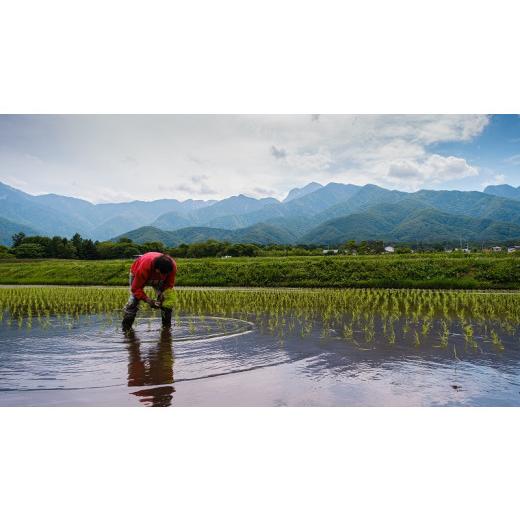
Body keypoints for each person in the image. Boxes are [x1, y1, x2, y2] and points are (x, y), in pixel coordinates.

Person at [122, 252, 177, 331]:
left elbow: (169, 285)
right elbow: (136, 289)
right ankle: (126, 329)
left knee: (167, 301)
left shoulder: (172, 267)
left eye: (165, 274)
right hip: (137, 273)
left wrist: (162, 296)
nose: (163, 276)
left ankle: (166, 328)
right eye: (162, 273)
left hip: (159, 277)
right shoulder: (144, 267)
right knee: (133, 301)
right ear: (156, 269)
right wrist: (148, 300)